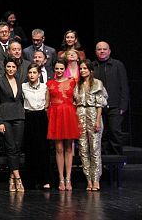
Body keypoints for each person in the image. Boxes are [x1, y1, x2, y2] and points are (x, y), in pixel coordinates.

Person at [46, 60, 81, 191]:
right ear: (54, 69)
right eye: (57, 68)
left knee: (69, 149)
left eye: (61, 68)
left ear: (64, 69)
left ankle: (68, 179)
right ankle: (61, 179)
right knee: (59, 149)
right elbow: (47, 103)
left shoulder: (72, 82)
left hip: (69, 114)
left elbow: (77, 100)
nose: (59, 71)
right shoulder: (49, 83)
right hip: (56, 116)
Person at [74, 60, 108, 191]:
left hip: (93, 115)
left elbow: (100, 104)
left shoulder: (97, 83)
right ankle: (88, 179)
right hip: (80, 116)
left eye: (85, 68)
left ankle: (96, 179)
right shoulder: (78, 85)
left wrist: (98, 121)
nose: (82, 71)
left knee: (94, 149)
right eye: (81, 69)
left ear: (90, 70)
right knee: (83, 149)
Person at [93, 41, 129, 155]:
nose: (102, 51)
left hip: (115, 105)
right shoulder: (92, 66)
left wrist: (123, 105)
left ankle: (118, 159)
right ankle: (105, 160)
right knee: (101, 134)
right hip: (98, 106)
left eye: (104, 49)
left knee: (115, 132)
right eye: (99, 49)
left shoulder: (118, 65)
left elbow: (124, 85)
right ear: (96, 52)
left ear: (109, 51)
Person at [0, 59, 26, 192]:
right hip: (5, 117)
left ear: (16, 68)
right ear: (5, 67)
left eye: (13, 67)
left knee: (17, 148)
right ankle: (18, 178)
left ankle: (11, 177)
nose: (11, 69)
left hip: (19, 116)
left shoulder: (21, 82)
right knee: (10, 146)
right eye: (8, 66)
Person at [21, 64, 52, 190]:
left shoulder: (45, 87)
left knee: (43, 149)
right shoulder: (23, 86)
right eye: (30, 72)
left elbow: (47, 104)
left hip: (41, 117)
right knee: (30, 149)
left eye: (34, 72)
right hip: (28, 117)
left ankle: (45, 179)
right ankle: (31, 180)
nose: (32, 75)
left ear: (39, 74)